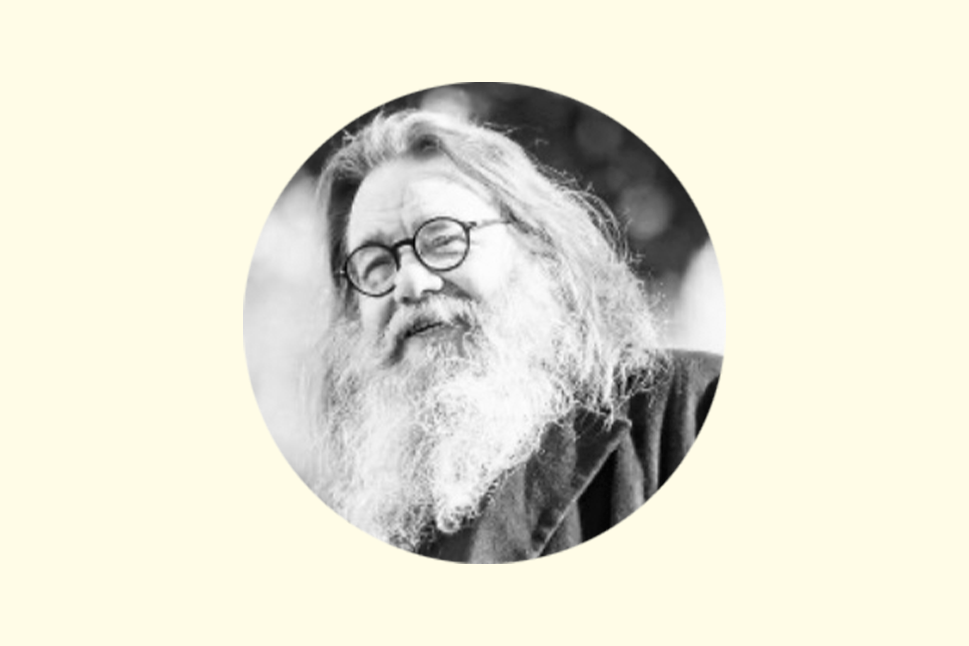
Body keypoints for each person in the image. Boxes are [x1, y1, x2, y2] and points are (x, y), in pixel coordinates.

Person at [303, 109, 721, 563]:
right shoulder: (372, 521)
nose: (409, 283)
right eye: (376, 265)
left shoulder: (692, 408)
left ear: (538, 245)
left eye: (443, 241)